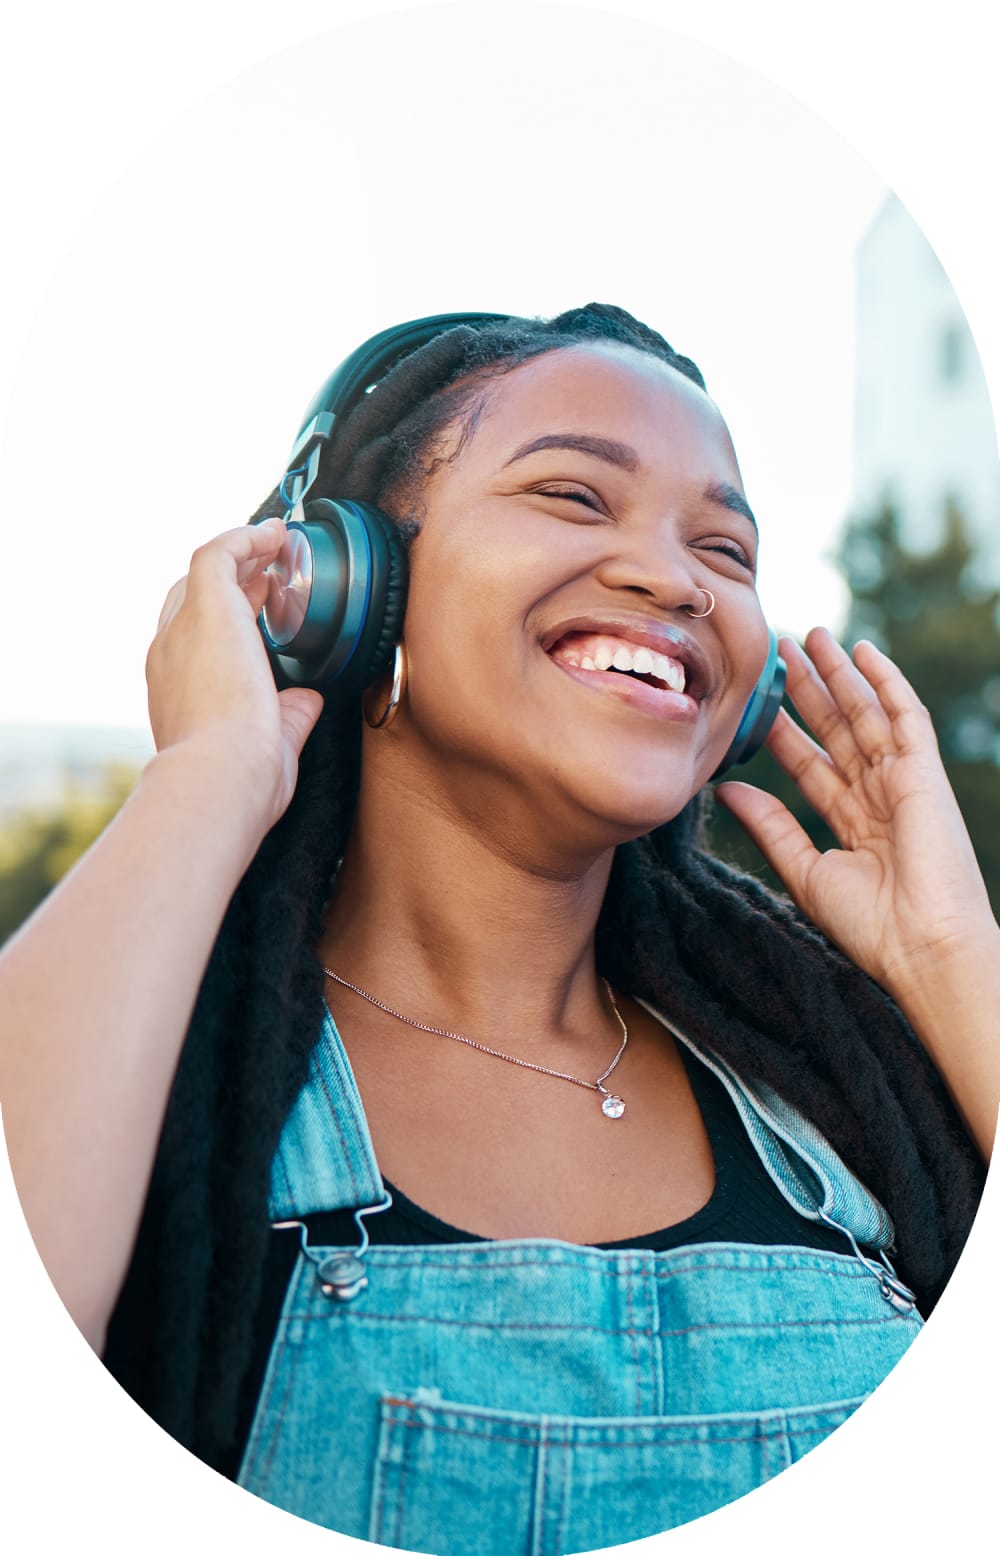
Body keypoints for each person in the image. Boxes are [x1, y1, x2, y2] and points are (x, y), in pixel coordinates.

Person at [0, 304, 995, 1556]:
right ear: (349, 586)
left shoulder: (855, 1103)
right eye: (576, 496)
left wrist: (951, 960)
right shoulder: (169, 1083)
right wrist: (211, 775)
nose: (678, 578)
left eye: (726, 549)